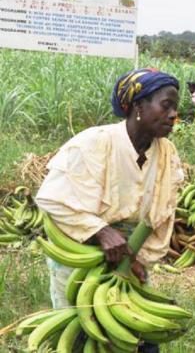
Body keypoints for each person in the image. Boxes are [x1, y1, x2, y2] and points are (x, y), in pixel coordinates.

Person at [35, 68, 184, 353]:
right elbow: (53, 199)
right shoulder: (94, 142)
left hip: (130, 255)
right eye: (166, 105)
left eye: (176, 108)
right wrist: (101, 232)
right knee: (83, 330)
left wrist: (138, 257)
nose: (173, 115)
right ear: (139, 106)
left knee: (134, 334)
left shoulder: (166, 153)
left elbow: (161, 213)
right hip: (81, 251)